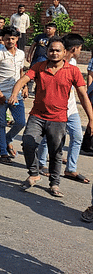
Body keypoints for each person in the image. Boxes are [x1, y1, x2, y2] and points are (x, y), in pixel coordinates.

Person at [11, 36, 93, 198]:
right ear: (47, 51)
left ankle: (54, 184)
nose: (54, 53)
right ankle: (34, 173)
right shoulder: (39, 66)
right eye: (51, 50)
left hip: (59, 118)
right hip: (37, 115)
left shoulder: (73, 71)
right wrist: (15, 93)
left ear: (64, 52)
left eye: (57, 51)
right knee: (28, 142)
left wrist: (91, 119)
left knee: (56, 152)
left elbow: (83, 95)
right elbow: (23, 80)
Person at [36, 34, 88, 184]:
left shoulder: (73, 63)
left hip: (71, 109)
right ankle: (42, 164)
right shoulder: (53, 62)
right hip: (54, 110)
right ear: (74, 48)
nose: (80, 51)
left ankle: (70, 168)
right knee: (48, 138)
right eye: (79, 48)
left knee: (77, 137)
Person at [0, 26, 27, 164]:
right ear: (2, 40)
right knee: (1, 123)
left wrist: (25, 86)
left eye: (13, 38)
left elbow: (21, 73)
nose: (10, 41)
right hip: (0, 95)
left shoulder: (21, 54)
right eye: (7, 38)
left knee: (21, 122)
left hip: (16, 95)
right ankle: (3, 151)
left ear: (17, 39)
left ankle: (8, 138)